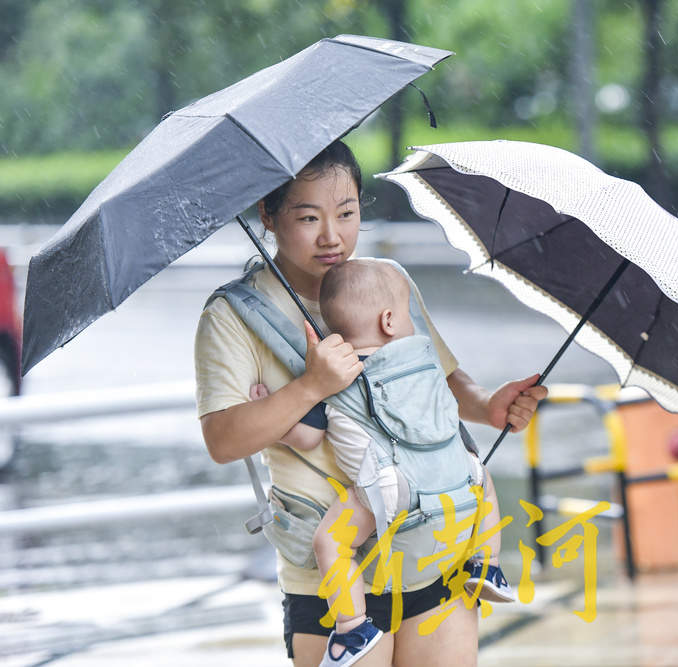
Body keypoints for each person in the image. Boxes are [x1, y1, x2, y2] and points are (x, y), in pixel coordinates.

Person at [195, 140, 547, 667]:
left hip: (433, 547)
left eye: (347, 212)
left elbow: (438, 381)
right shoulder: (234, 315)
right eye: (309, 217)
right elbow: (223, 441)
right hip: (333, 580)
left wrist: (489, 405)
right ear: (267, 214)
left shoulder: (388, 283)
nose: (332, 236)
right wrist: (310, 387)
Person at [250, 258, 516, 666]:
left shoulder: (335, 374)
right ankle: (489, 564)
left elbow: (306, 437)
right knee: (485, 478)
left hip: (392, 488)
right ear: (390, 320)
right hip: (460, 477)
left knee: (331, 543)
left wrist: (270, 409)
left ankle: (353, 627)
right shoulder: (428, 362)